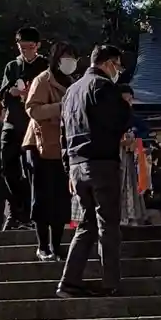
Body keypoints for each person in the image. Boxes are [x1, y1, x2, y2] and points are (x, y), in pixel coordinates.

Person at [57, 43, 131, 297]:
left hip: (77, 164)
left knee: (87, 223)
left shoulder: (71, 91)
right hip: (101, 162)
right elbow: (118, 121)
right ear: (108, 63)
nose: (118, 71)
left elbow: (63, 133)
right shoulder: (103, 87)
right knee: (108, 224)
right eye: (117, 65)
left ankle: (69, 281)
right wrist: (125, 105)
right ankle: (111, 282)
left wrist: (68, 167)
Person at [24, 43, 78, 262]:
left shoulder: (73, 83)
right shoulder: (43, 80)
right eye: (65, 56)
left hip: (63, 148)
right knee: (42, 197)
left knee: (61, 199)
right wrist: (60, 107)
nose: (69, 61)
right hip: (39, 146)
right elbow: (32, 109)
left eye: (72, 57)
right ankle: (42, 246)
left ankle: (57, 246)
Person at [0, 28, 43, 229]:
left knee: (34, 169)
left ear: (37, 46)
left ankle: (32, 213)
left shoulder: (44, 66)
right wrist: (12, 92)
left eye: (30, 47)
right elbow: (2, 95)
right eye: (22, 48)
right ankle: (16, 210)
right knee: (7, 167)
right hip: (13, 121)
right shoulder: (12, 66)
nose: (26, 51)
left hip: (34, 124)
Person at [119, 85, 151, 226]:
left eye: (130, 100)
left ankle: (132, 217)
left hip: (131, 159)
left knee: (132, 186)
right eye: (124, 100)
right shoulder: (110, 119)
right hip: (116, 160)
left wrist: (134, 137)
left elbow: (145, 132)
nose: (128, 103)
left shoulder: (135, 119)